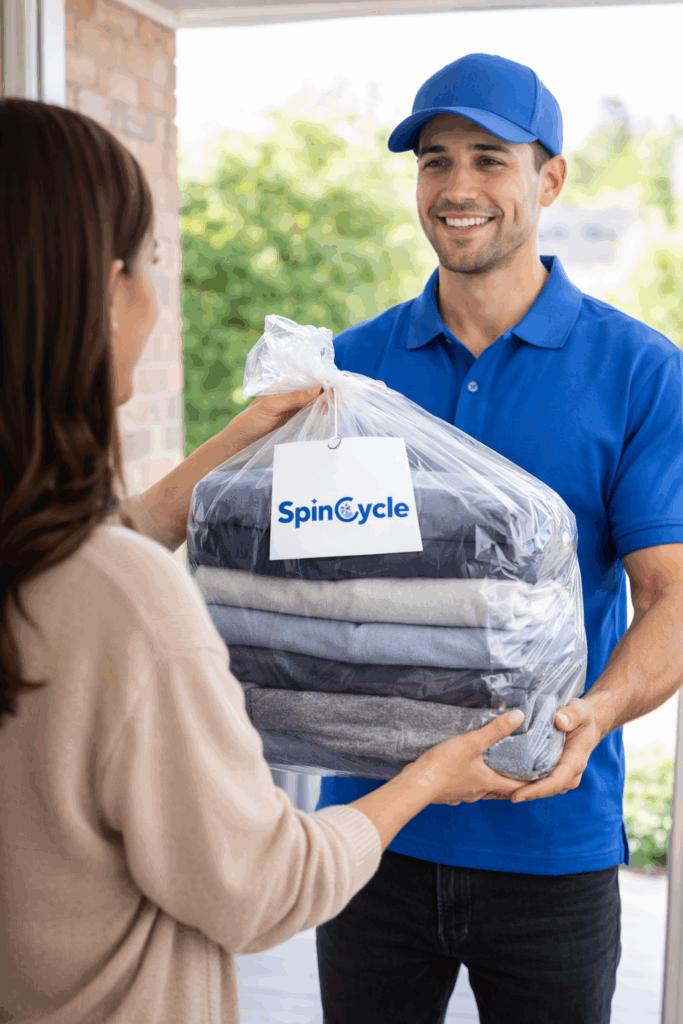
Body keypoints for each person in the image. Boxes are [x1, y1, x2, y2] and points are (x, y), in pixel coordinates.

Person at [0, 98, 529, 1024]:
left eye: (490, 159)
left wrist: (228, 449)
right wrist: (427, 778)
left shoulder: (53, 563)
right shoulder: (126, 602)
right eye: (151, 262)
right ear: (107, 292)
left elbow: (72, 564)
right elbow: (262, 887)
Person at [314, 52, 683, 1024]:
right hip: (370, 831)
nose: (457, 187)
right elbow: (312, 585)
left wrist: (597, 712)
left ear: (548, 179)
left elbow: (670, 596)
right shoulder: (349, 370)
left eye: (489, 159)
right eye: (434, 161)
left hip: (547, 839)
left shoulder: (638, 370)